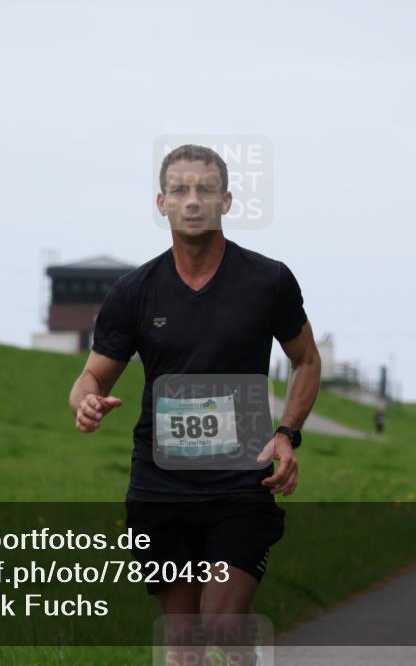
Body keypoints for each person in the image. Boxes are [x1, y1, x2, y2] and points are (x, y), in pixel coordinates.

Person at [69, 144, 321, 664]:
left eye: (205, 189)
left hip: (240, 479)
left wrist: (288, 433)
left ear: (226, 201)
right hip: (161, 486)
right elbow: (91, 376)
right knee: (182, 651)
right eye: (180, 190)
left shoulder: (267, 281)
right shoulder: (133, 292)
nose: (192, 201)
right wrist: (86, 402)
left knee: (226, 628)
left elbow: (306, 361)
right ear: (161, 203)